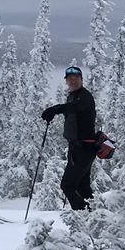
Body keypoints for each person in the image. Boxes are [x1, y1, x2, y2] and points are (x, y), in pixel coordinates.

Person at [41, 65, 97, 210]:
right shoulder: (73, 96)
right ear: (66, 81)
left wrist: (56, 109)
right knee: (82, 187)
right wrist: (56, 111)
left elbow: (75, 107)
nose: (73, 81)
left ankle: (82, 214)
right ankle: (92, 216)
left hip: (84, 148)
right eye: (70, 79)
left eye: (76, 78)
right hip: (78, 148)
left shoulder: (85, 96)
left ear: (81, 80)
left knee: (67, 185)